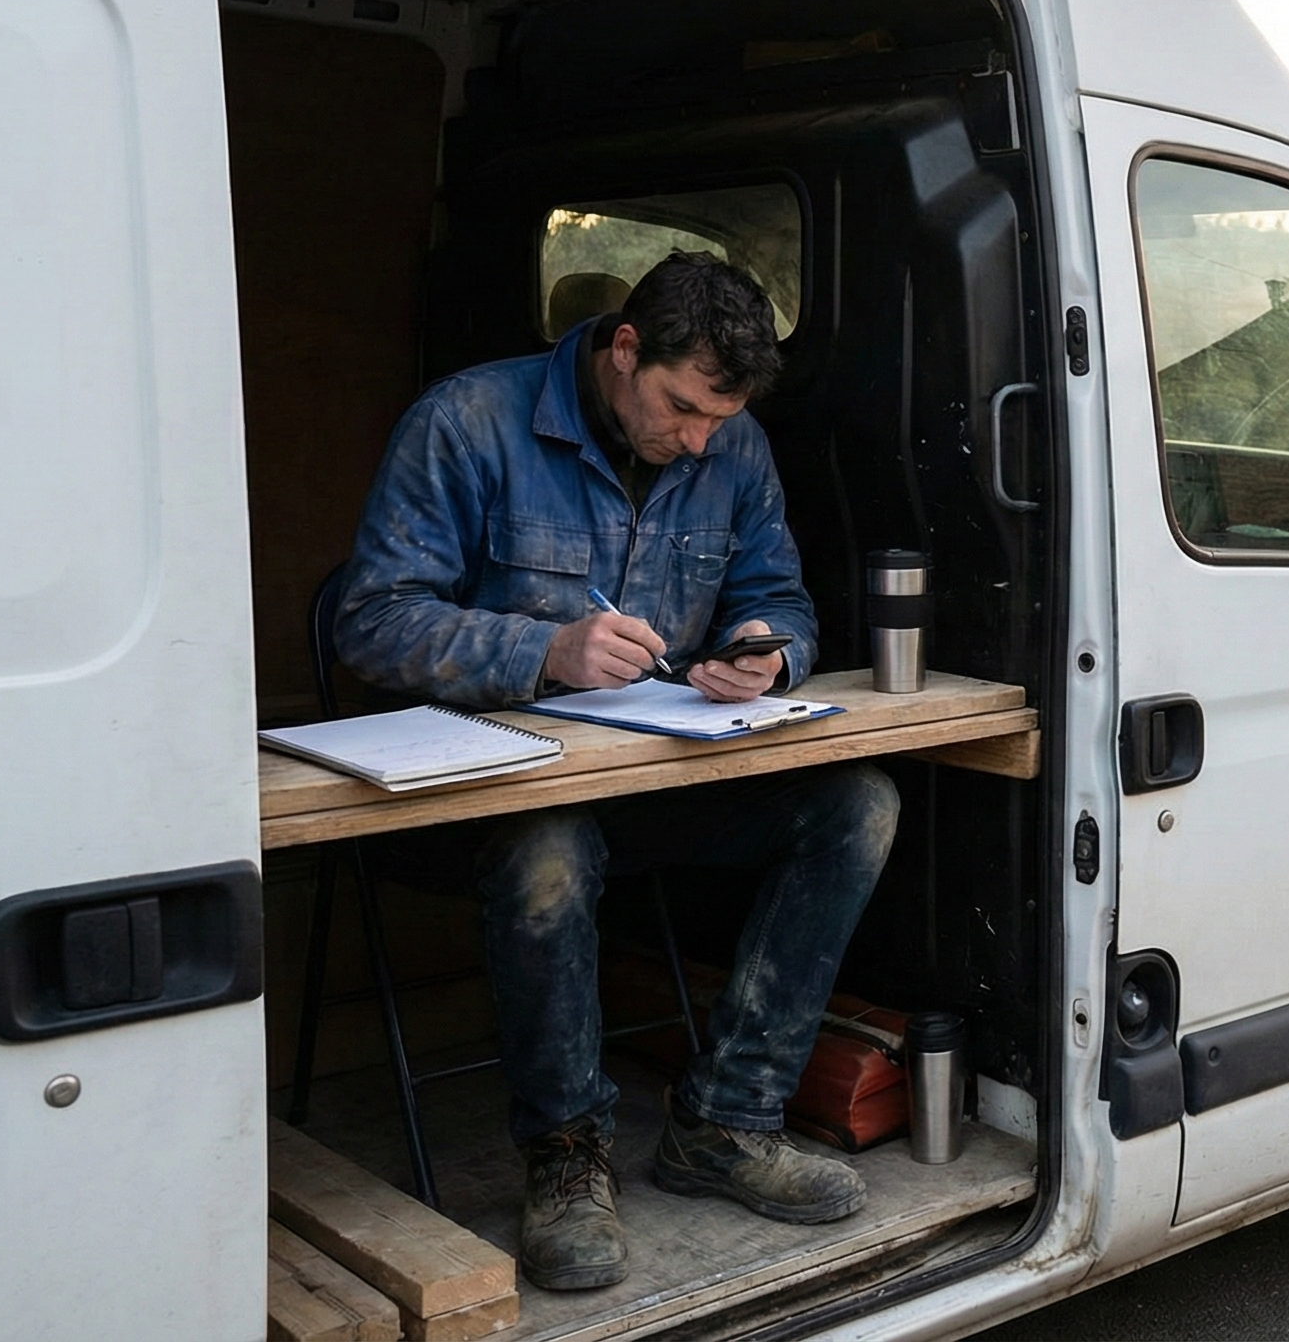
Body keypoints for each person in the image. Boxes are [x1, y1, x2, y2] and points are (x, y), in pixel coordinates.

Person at [334, 252, 899, 1292]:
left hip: (647, 783)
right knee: (550, 849)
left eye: (719, 421)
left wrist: (767, 649)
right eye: (682, 409)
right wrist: (543, 650)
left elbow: (778, 596)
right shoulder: (467, 421)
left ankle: (725, 1122)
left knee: (856, 804)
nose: (698, 441)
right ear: (624, 349)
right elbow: (368, 621)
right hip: (481, 798)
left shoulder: (731, 444)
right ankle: (565, 1154)